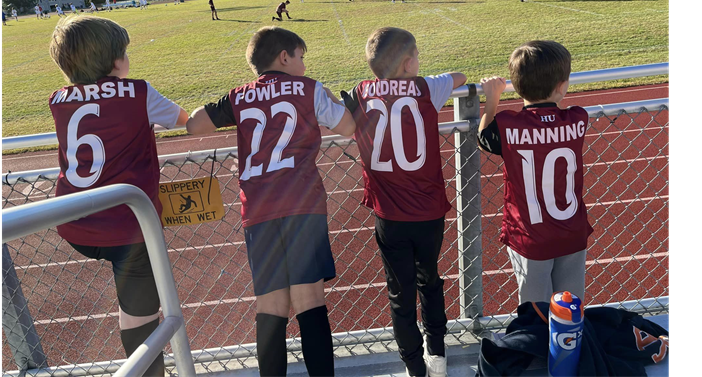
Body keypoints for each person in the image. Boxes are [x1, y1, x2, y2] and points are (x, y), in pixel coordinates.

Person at [185, 26, 356, 377]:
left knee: (271, 307)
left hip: (259, 210)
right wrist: (331, 99)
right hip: (302, 205)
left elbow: (194, 124)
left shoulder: (240, 95)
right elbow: (348, 127)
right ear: (284, 57)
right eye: (301, 58)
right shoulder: (309, 89)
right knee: (309, 302)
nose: (304, 65)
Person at [47, 16, 189, 377]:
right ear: (115, 61)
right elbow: (183, 119)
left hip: (74, 221)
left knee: (133, 297)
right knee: (143, 318)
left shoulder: (59, 99)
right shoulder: (137, 92)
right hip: (126, 225)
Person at [340, 27, 466, 377]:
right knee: (431, 280)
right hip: (428, 212)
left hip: (389, 213)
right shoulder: (425, 87)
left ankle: (414, 367)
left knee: (400, 293)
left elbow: (344, 120)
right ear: (410, 62)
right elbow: (461, 77)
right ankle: (437, 357)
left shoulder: (361, 92)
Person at [477, 40, 593, 304]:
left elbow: (484, 138)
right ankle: (569, 344)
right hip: (571, 231)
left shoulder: (509, 126)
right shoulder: (577, 118)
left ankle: (536, 344)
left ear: (516, 86)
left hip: (530, 234)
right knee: (570, 307)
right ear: (562, 86)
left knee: (535, 311)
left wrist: (492, 99)